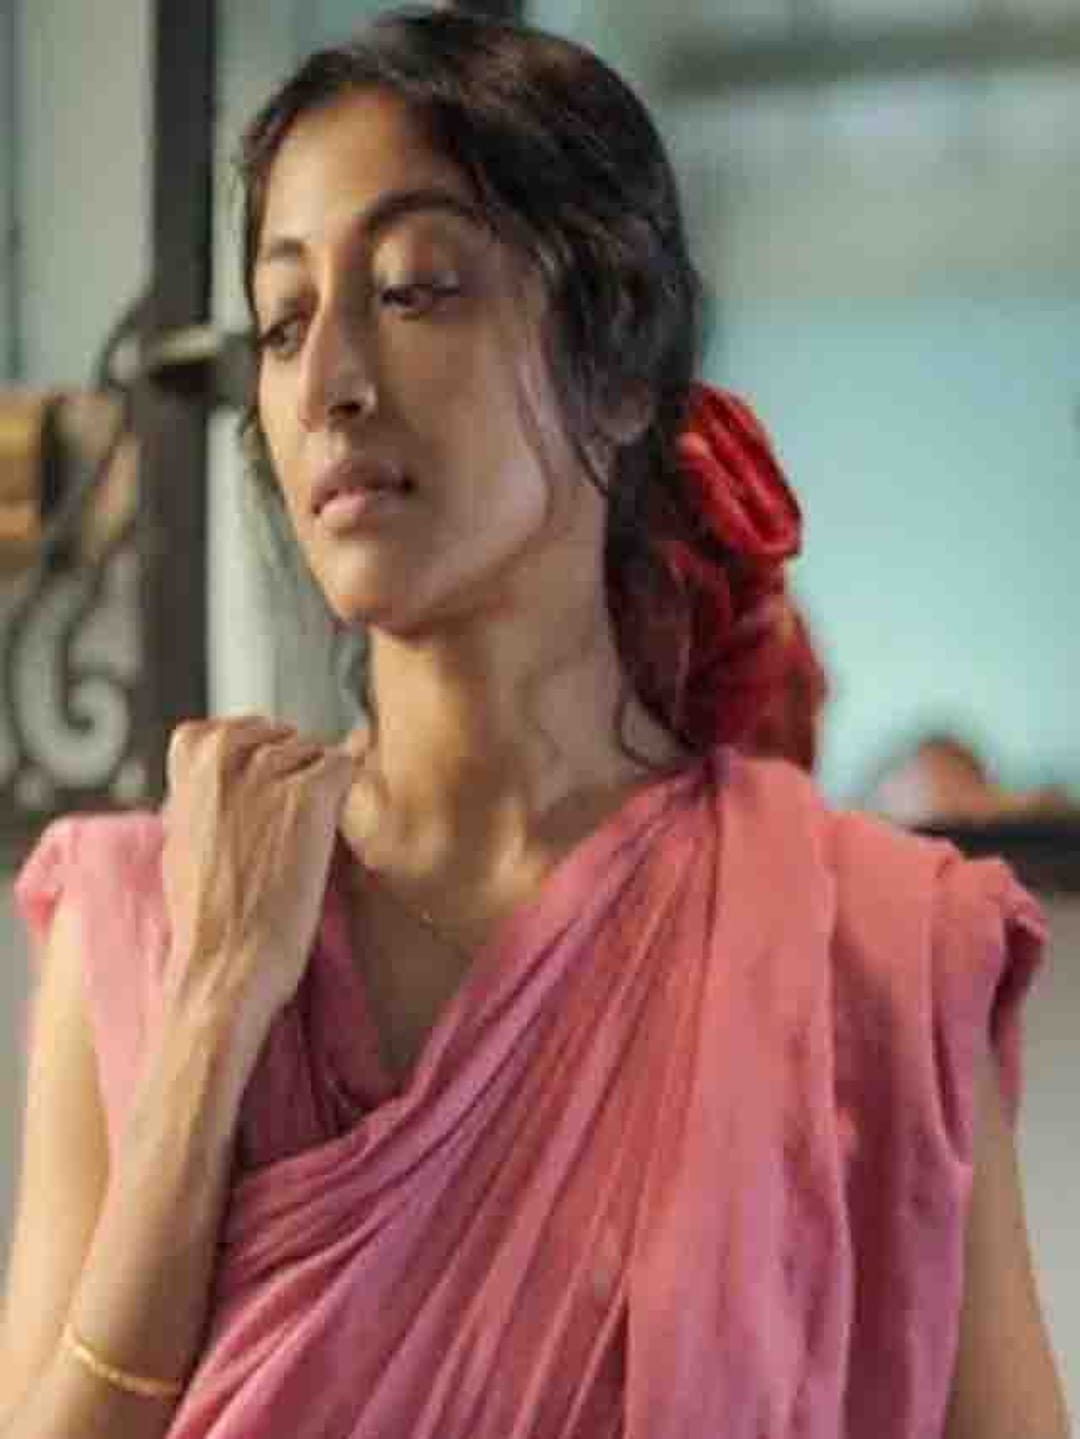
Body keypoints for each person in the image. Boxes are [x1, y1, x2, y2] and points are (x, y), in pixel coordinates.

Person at [0, 9, 1069, 1438]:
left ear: (618, 365)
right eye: (285, 320)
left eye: (416, 288)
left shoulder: (872, 950)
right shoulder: (144, 912)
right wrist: (208, 1023)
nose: (329, 382)